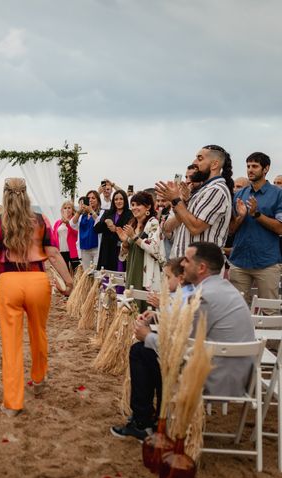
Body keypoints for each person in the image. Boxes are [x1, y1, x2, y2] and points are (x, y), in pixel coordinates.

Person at [111, 242, 256, 440]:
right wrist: (158, 317)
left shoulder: (204, 296)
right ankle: (154, 420)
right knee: (151, 353)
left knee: (142, 351)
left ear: (202, 267)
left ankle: (143, 423)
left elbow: (181, 347)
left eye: (187, 260)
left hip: (217, 379)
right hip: (238, 373)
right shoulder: (221, 288)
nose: (183, 264)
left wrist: (148, 336)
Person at [0, 178, 73, 417]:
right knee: (39, 332)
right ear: (26, 195)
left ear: (5, 196)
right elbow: (54, 254)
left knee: (11, 342)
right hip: (37, 280)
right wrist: (69, 281)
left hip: (9, 281)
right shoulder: (40, 220)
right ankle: (38, 379)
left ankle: (13, 402)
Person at [158, 145, 233, 259]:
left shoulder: (216, 190)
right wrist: (182, 200)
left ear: (214, 164)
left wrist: (175, 200)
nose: (195, 162)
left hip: (201, 266)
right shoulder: (203, 190)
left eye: (200, 158)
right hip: (186, 263)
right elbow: (169, 227)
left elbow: (195, 228)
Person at [228, 152, 282, 305]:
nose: (250, 170)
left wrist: (257, 214)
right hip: (239, 261)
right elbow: (231, 229)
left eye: (255, 166)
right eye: (248, 166)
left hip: (267, 262)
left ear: (266, 169)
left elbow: (280, 229)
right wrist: (241, 216)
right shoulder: (240, 195)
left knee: (270, 312)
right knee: (238, 310)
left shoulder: (278, 194)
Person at [117, 191, 165, 293]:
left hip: (145, 274)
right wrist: (125, 242)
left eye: (138, 204)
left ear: (148, 207)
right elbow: (124, 255)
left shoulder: (153, 223)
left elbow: (154, 248)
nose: (134, 208)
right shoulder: (132, 224)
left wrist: (134, 237)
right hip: (131, 270)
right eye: (132, 205)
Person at [94, 190, 132, 272]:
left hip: (120, 249)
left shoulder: (130, 214)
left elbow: (128, 231)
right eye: (116, 199)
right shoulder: (108, 212)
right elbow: (96, 229)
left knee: (119, 275)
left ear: (125, 200)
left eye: (121, 199)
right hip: (107, 250)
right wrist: (105, 222)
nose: (118, 201)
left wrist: (115, 228)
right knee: (105, 277)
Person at [70, 190, 102, 268]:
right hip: (84, 249)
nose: (90, 200)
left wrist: (91, 211)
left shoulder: (101, 213)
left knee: (96, 271)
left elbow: (100, 224)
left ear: (98, 201)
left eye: (93, 198)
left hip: (96, 248)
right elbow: (72, 224)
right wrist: (79, 211)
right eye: (88, 198)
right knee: (87, 273)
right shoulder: (82, 216)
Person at [52, 201, 80, 272]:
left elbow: (77, 234)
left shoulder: (75, 221)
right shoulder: (57, 223)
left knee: (76, 272)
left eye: (69, 208)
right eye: (65, 208)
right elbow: (54, 237)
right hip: (61, 251)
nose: (67, 210)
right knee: (64, 272)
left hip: (73, 251)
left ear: (72, 210)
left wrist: (68, 224)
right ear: (62, 210)